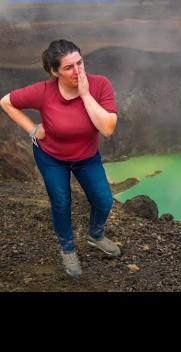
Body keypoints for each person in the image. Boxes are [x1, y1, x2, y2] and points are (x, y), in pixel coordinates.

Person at [0, 39, 121, 278]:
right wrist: (33, 129)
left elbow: (107, 128)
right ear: (54, 72)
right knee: (61, 203)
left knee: (104, 200)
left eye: (80, 63)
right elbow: (6, 102)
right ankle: (67, 248)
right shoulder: (44, 91)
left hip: (86, 157)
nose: (77, 71)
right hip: (51, 157)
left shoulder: (99, 85)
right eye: (68, 67)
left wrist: (85, 95)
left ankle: (96, 236)